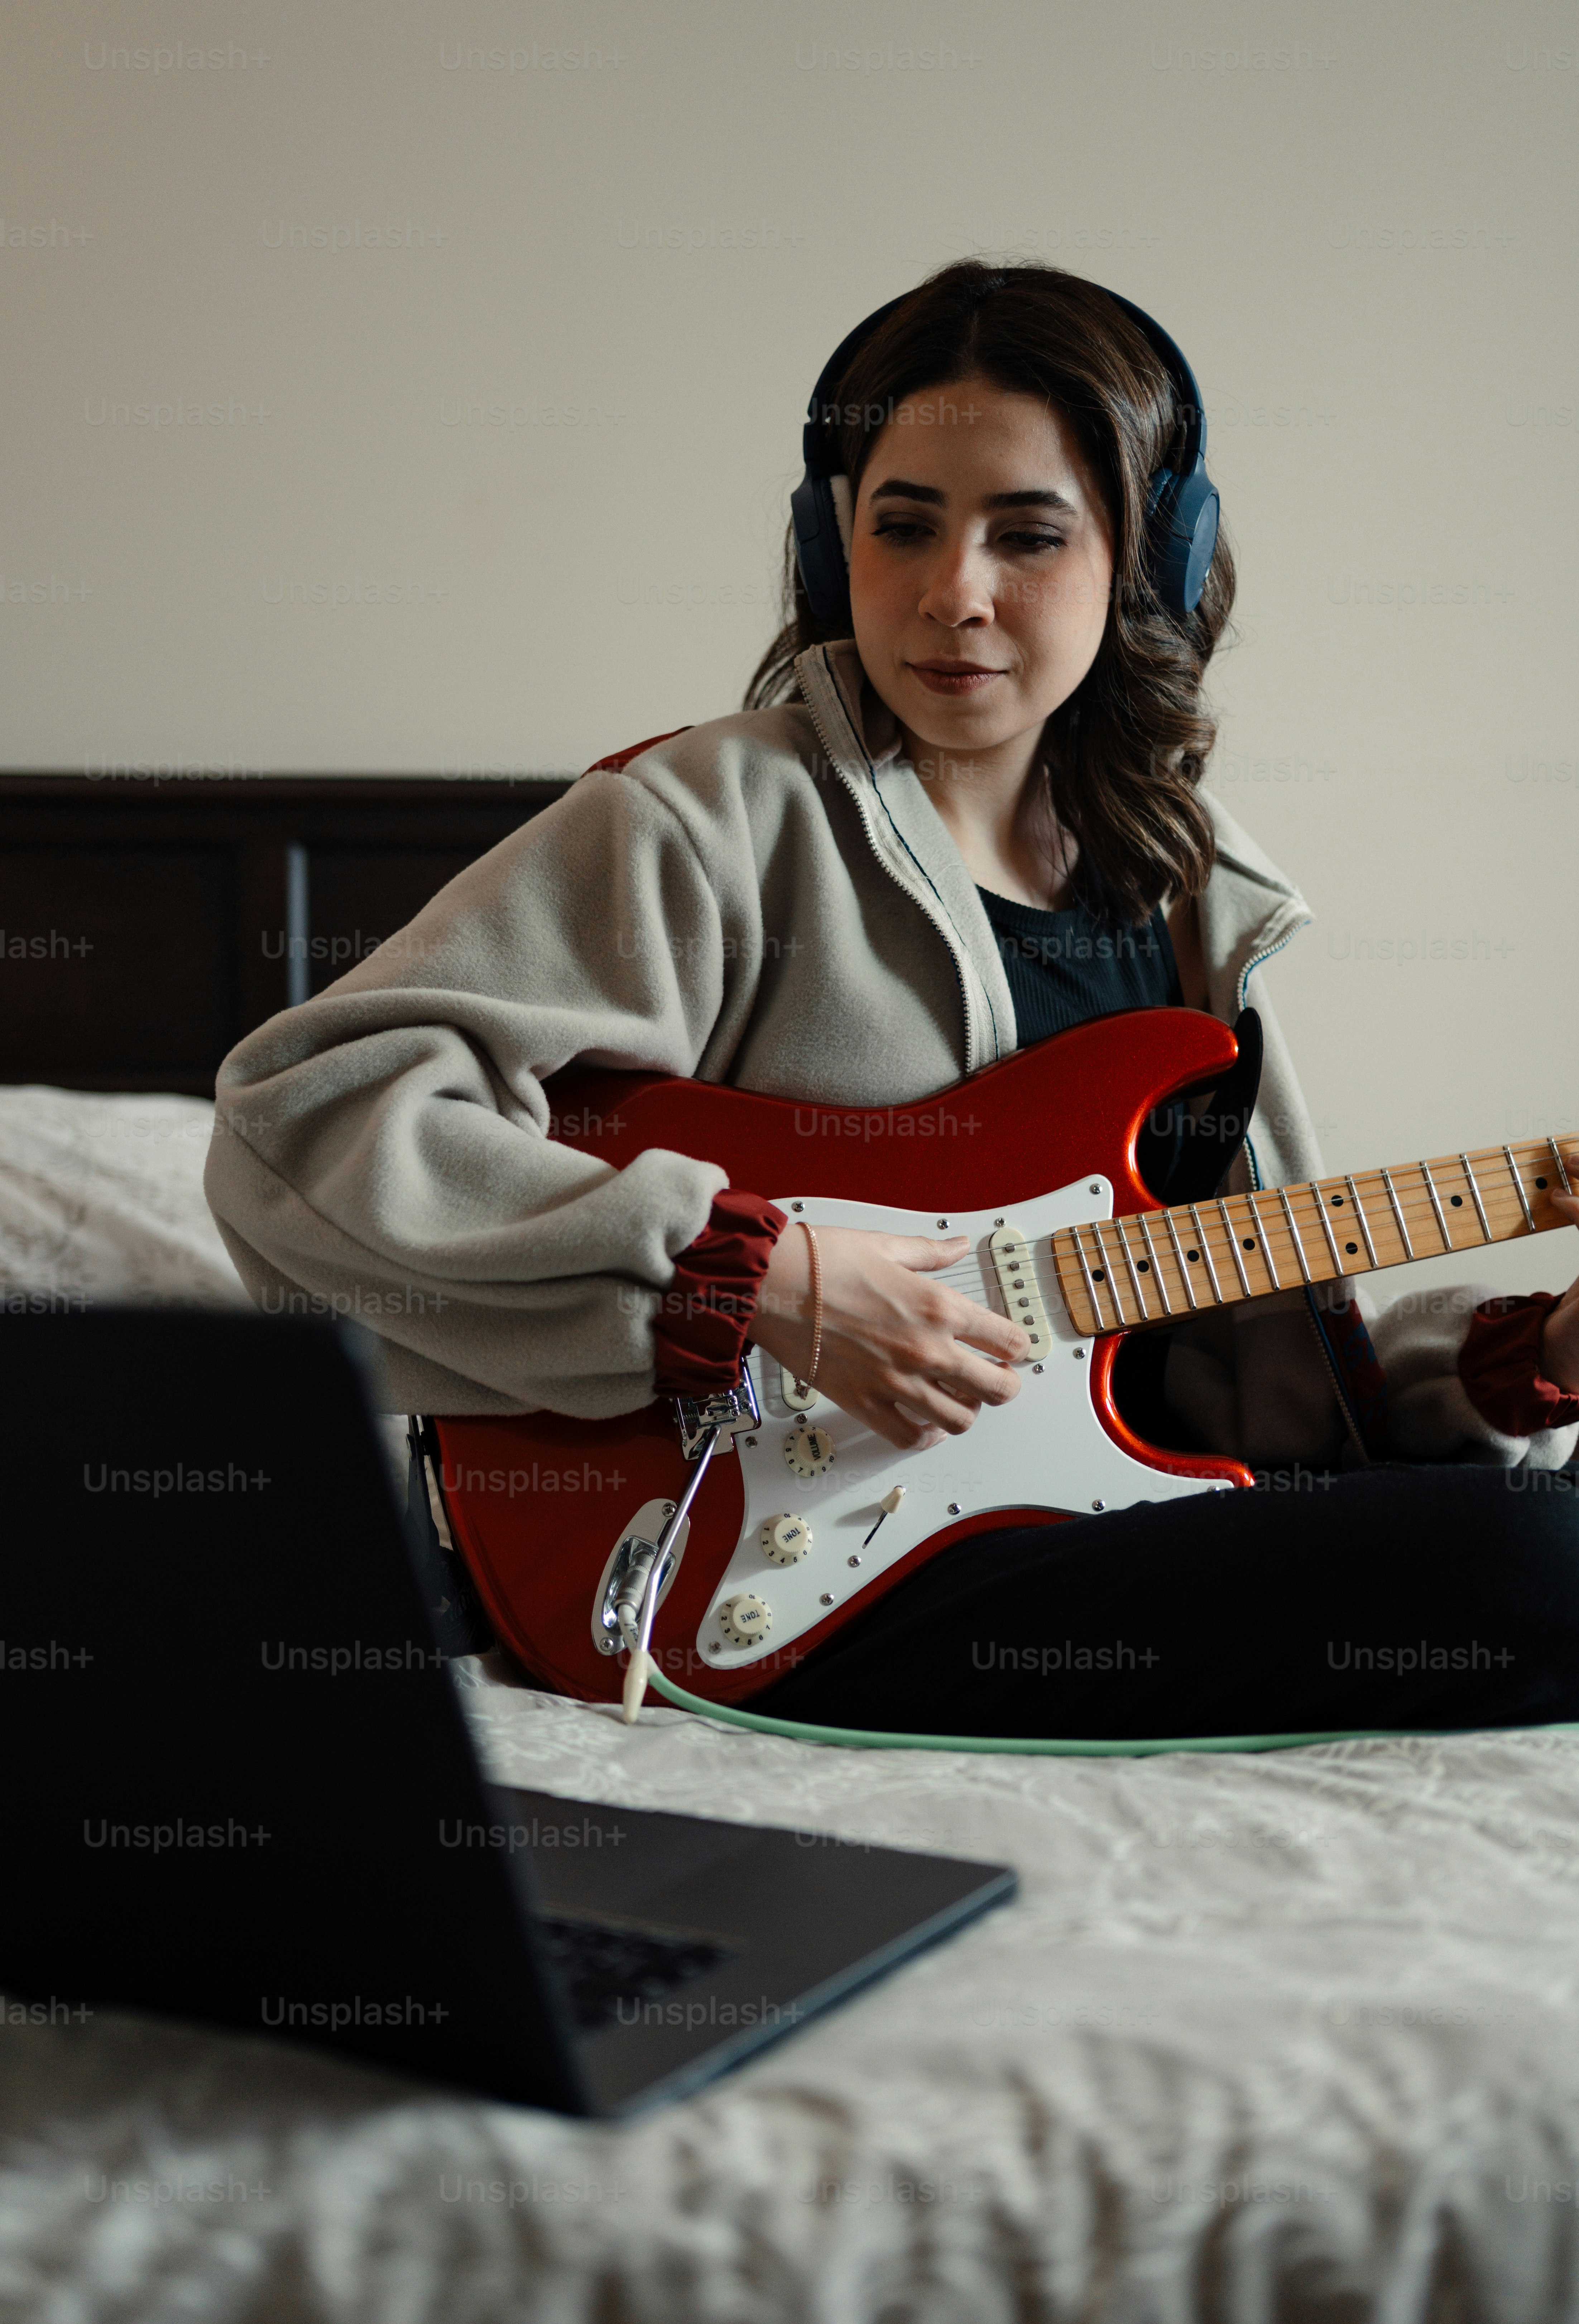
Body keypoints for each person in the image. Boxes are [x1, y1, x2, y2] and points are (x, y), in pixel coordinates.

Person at [205, 261, 1579, 1740]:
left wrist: (1521, 1367)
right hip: (767, 1575)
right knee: (1536, 1568)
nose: (953, 594)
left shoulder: (1195, 891)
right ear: (828, 541)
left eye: (1028, 535)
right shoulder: (704, 818)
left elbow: (1251, 1393)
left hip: (1080, 1528)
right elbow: (300, 1123)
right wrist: (759, 1281)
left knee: (1529, 1542)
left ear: (1148, 559)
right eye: (903, 524)